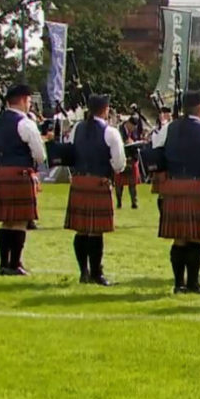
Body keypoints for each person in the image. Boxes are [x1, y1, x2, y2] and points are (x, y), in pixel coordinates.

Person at [153, 90, 200, 295]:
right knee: (196, 237)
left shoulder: (168, 128)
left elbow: (156, 153)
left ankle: (179, 284)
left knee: (179, 238)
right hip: (198, 188)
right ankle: (193, 283)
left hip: (174, 186)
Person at [64, 94, 126, 286]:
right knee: (96, 232)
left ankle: (83, 272)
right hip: (98, 182)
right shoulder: (110, 132)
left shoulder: (77, 128)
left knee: (81, 230)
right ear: (106, 110)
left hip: (79, 182)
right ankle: (96, 274)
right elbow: (119, 164)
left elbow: (70, 153)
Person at [0, 84, 46, 275]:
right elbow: (40, 155)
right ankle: (15, 264)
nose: (29, 104)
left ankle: (3, 264)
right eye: (29, 100)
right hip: (20, 173)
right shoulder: (26, 123)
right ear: (22, 100)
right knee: (20, 221)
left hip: (2, 171)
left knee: (7, 221)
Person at [149, 106, 173, 219]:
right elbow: (156, 145)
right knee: (162, 194)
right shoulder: (159, 129)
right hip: (163, 163)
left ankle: (167, 215)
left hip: (172, 163)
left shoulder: (172, 126)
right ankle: (163, 215)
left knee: (170, 193)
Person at [116, 116, 143, 209]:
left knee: (133, 183)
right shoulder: (119, 129)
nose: (133, 128)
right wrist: (125, 142)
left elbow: (137, 138)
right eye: (132, 126)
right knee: (119, 183)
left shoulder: (135, 130)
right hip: (122, 158)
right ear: (128, 123)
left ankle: (134, 202)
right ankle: (119, 202)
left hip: (133, 158)